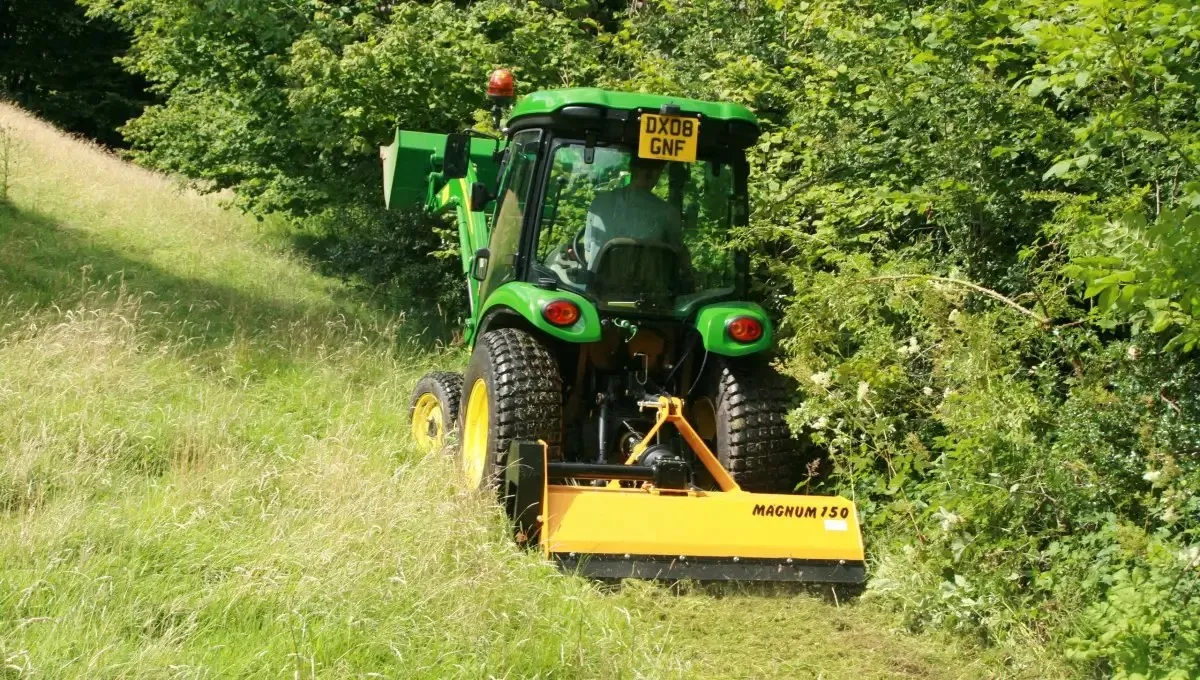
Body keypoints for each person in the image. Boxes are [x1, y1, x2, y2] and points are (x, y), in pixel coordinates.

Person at [582, 156, 685, 266]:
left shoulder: (599, 203)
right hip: (647, 282)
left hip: (599, 282)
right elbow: (676, 256)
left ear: (631, 169)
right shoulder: (667, 212)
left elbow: (588, 254)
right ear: (652, 174)